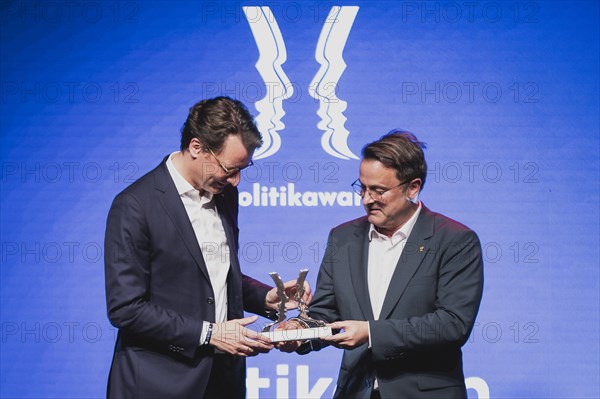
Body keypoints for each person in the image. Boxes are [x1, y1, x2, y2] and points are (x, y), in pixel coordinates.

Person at [104, 96, 310, 399]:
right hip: (157, 384)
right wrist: (209, 333)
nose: (236, 181)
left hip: (223, 382)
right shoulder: (135, 205)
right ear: (197, 148)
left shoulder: (224, 194)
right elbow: (126, 308)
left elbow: (210, 277)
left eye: (243, 168)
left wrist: (265, 297)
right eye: (230, 168)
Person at [281, 130, 483, 398]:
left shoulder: (455, 240)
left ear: (413, 187)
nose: (366, 199)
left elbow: (452, 323)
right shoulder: (342, 238)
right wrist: (300, 331)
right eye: (362, 188)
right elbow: (326, 311)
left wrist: (371, 333)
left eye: (378, 190)